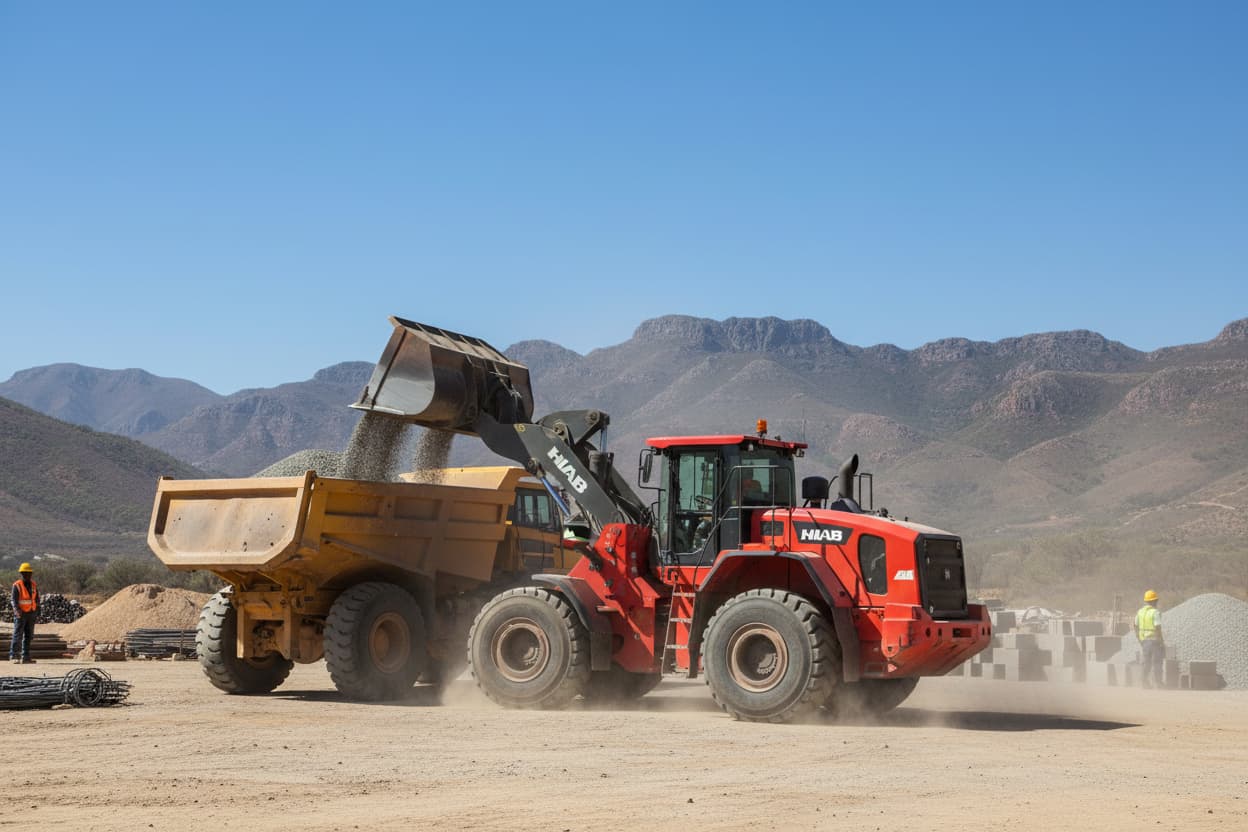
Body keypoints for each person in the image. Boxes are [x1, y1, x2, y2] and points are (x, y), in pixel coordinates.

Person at [9, 563, 39, 665]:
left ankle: (26, 657)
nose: (27, 575)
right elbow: (13, 600)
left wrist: (37, 611)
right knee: (18, 635)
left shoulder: (34, 585)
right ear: (22, 574)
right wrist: (17, 611)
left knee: (29, 636)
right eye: (25, 573)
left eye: (29, 573)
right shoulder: (17, 585)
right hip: (21, 614)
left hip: (31, 613)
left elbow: (36, 599)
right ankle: (14, 656)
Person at [1133, 589, 1163, 688]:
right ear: (1154, 601)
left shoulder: (1140, 612)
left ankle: (1144, 682)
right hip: (1154, 640)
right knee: (1157, 662)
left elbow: (1135, 626)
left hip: (1144, 641)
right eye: (1156, 601)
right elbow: (1158, 627)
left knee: (1147, 662)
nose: (1157, 602)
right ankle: (1158, 683)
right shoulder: (1155, 612)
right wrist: (1161, 641)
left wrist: (1139, 639)